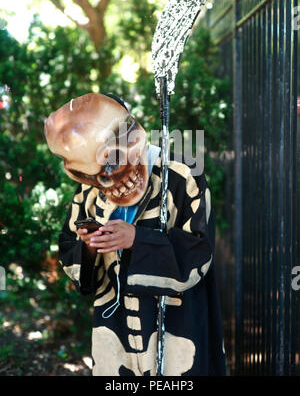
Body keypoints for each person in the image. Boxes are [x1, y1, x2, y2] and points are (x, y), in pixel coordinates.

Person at [44, 92, 226, 376]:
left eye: (114, 157)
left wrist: (136, 239)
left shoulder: (182, 173)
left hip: (176, 332)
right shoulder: (88, 192)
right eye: (96, 172)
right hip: (115, 337)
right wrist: (90, 247)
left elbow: (200, 252)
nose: (108, 176)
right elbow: (71, 252)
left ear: (134, 131)